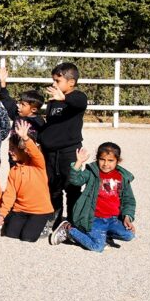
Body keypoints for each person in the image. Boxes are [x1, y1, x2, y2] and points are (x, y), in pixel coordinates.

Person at [49, 143, 137, 251]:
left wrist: (127, 217)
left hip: (112, 219)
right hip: (94, 219)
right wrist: (78, 163)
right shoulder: (92, 172)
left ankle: (103, 235)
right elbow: (75, 180)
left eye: (110, 160)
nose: (105, 164)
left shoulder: (122, 177)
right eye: (102, 159)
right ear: (97, 159)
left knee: (129, 235)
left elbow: (129, 199)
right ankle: (69, 230)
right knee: (98, 247)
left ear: (117, 161)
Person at [40, 62, 88, 225]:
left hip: (69, 153)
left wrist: (65, 98)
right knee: (53, 188)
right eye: (53, 80)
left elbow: (80, 102)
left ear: (71, 82)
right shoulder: (53, 101)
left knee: (72, 187)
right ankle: (55, 219)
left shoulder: (77, 97)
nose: (54, 84)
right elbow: (50, 125)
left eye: (57, 81)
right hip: (50, 153)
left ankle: (74, 222)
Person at [0, 120, 54, 243]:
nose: (9, 151)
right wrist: (2, 214)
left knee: (27, 237)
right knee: (10, 235)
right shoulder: (13, 170)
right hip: (20, 209)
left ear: (23, 149)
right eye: (9, 148)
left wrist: (25, 138)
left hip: (40, 211)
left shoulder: (38, 165)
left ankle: (45, 223)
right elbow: (9, 194)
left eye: (13, 148)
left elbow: (35, 153)